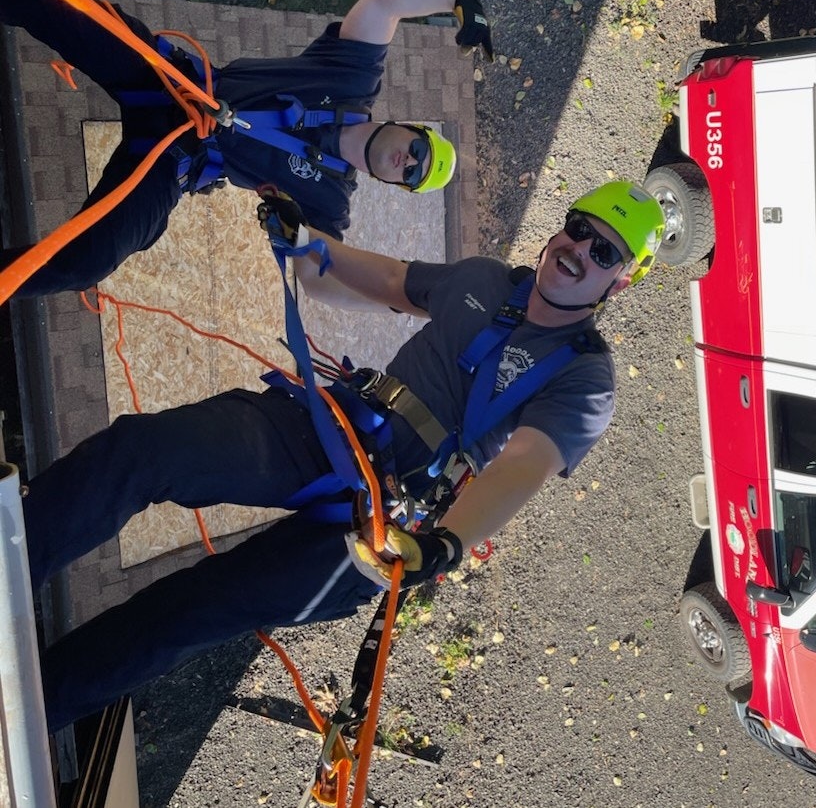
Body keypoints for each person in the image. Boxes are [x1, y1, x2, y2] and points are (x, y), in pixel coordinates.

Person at [23, 180, 664, 732]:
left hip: (387, 525)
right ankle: (6, 568)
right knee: (142, 451)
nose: (577, 250)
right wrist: (307, 243)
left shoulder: (584, 379)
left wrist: (445, 545)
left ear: (622, 278)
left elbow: (524, 463)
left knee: (189, 613)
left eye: (602, 250)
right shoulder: (486, 280)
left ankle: (25, 711)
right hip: (335, 428)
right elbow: (385, 280)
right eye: (578, 230)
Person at [0, 0, 493, 297]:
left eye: (412, 176)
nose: (408, 162)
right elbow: (385, 2)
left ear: (393, 185)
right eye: (418, 152)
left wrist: (388, 290)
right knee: (64, 9)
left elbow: (322, 283)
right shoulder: (351, 77)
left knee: (90, 259)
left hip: (173, 160)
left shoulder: (327, 202)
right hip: (171, 82)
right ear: (409, 127)